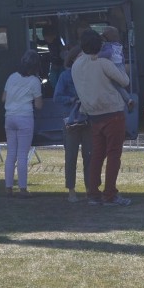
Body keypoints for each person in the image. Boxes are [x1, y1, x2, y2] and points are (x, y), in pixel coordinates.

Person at [72, 29, 131, 206]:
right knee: (114, 154)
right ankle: (110, 194)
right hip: (113, 112)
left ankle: (93, 193)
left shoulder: (76, 65)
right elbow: (124, 81)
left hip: (93, 114)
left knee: (97, 154)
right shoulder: (103, 63)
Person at [53, 45, 93, 203]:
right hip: (71, 119)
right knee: (71, 157)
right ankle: (71, 190)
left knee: (89, 156)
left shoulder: (89, 75)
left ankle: (90, 189)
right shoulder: (65, 76)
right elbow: (57, 96)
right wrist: (72, 99)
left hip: (87, 118)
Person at [1, 50, 43, 198]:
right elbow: (38, 105)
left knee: (11, 153)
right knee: (22, 155)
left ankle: (8, 187)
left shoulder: (12, 77)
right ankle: (23, 188)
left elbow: (4, 98)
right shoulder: (34, 81)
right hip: (25, 117)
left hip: (9, 117)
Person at [98, 26, 135, 112]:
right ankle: (127, 100)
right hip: (120, 65)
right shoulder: (118, 45)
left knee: (114, 84)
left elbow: (108, 54)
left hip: (114, 66)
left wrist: (98, 55)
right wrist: (122, 64)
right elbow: (122, 56)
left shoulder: (108, 46)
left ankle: (128, 100)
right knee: (119, 84)